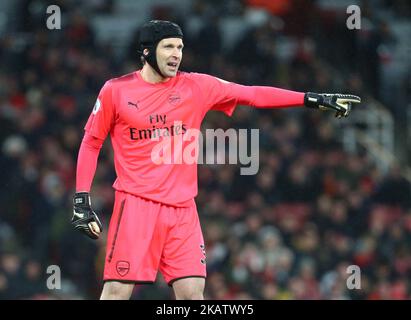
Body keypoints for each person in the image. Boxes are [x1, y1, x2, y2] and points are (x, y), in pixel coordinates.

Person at [71, 20, 361, 300]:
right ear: (147, 51)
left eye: (180, 47)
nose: (176, 55)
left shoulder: (196, 86)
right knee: (117, 292)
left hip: (183, 210)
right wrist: (82, 200)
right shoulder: (116, 90)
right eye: (168, 47)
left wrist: (311, 98)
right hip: (136, 205)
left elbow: (252, 94)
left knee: (192, 293)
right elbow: (91, 142)